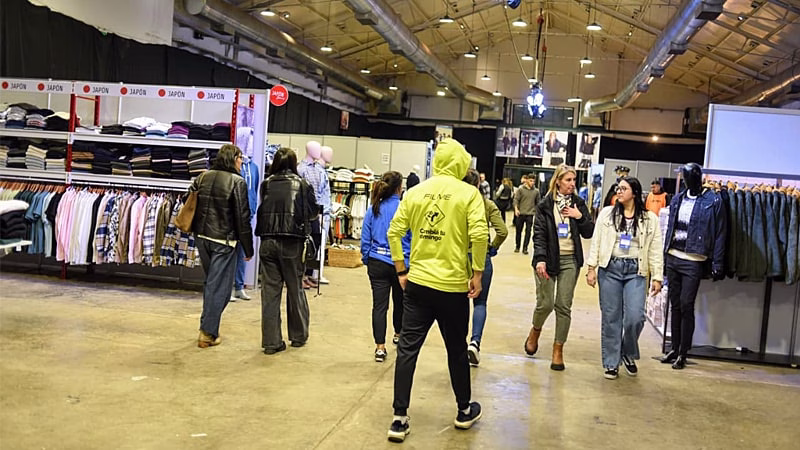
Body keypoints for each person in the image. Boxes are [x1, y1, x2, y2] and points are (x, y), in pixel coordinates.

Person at [386, 138, 488, 443]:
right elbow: (481, 235)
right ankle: (463, 410)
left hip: (418, 285)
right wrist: (477, 274)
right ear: (459, 163)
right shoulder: (469, 194)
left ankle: (399, 418)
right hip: (453, 287)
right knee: (456, 349)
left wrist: (401, 270)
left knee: (407, 350)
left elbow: (394, 232)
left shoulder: (415, 192)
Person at [586, 177, 664, 380]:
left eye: (623, 188)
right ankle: (612, 363)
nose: (618, 192)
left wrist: (657, 276)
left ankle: (628, 353)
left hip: (635, 271)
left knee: (635, 318)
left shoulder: (649, 219)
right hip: (610, 268)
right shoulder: (607, 214)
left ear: (635, 193)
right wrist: (591, 268)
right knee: (611, 319)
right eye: (617, 188)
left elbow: (655, 249)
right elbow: (597, 241)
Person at [525, 164, 594, 370]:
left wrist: (579, 216)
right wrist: (540, 259)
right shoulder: (545, 205)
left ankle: (558, 349)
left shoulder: (579, 204)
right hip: (547, 259)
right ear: (558, 182)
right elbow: (538, 235)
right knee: (545, 304)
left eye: (574, 180)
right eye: (568, 180)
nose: (572, 184)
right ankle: (535, 330)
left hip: (570, 261)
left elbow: (589, 231)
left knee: (563, 305)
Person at [660, 163, 726, 370]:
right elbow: (670, 228)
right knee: (675, 305)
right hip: (673, 256)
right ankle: (675, 347)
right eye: (686, 178)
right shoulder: (678, 198)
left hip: (694, 260)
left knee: (687, 304)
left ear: (699, 178)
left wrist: (717, 262)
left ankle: (683, 352)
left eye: (692, 177)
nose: (690, 181)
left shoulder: (713, 200)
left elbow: (720, 233)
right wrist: (663, 257)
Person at [190, 144, 254, 348]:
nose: (242, 161)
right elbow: (242, 219)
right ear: (233, 158)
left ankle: (207, 328)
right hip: (223, 242)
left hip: (202, 237)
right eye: (240, 157)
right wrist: (248, 247)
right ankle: (207, 332)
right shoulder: (237, 182)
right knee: (221, 289)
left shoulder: (203, 177)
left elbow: (189, 201)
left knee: (212, 284)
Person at [256, 147, 318, 354]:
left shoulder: (266, 184)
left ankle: (271, 343)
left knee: (270, 293)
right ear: (293, 164)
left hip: (267, 242)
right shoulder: (303, 184)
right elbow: (311, 213)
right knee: (295, 289)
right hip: (292, 243)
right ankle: (298, 336)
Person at [361, 171, 411, 363]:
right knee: (401, 303)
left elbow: (365, 238)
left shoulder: (374, 208)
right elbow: (411, 238)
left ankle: (379, 348)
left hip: (377, 262)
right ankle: (398, 334)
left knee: (379, 306)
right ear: (399, 189)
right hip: (401, 265)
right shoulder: (405, 208)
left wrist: (367, 259)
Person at [463, 169, 508, 366]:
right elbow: (503, 231)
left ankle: (457, 343)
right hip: (482, 258)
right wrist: (493, 247)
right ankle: (475, 342)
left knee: (458, 302)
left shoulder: (457, 204)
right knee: (480, 303)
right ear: (479, 186)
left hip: (459, 258)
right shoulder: (487, 205)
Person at [231, 151, 259, 302]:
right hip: (232, 217)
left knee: (242, 253)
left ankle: (239, 287)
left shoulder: (253, 167)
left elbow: (254, 189)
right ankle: (228, 288)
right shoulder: (232, 168)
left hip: (248, 216)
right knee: (229, 254)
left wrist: (252, 209)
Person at [513, 174, 540, 254]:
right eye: (531, 181)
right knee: (518, 231)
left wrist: (537, 212)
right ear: (527, 180)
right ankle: (517, 246)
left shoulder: (536, 191)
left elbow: (538, 202)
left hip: (530, 214)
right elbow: (516, 200)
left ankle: (525, 248)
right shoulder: (520, 189)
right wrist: (516, 209)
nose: (532, 183)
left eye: (533, 181)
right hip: (521, 213)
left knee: (528, 231)